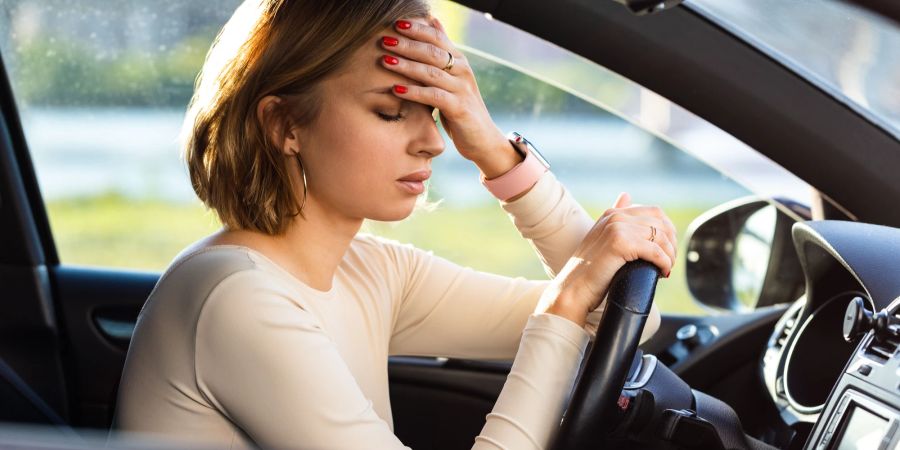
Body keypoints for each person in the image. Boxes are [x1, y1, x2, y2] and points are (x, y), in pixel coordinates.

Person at [112, 0, 677, 448]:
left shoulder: (372, 270)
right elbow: (582, 305)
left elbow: (626, 318)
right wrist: (565, 298)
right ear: (285, 124)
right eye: (390, 111)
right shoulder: (237, 299)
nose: (434, 141)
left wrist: (495, 152)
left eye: (434, 111)